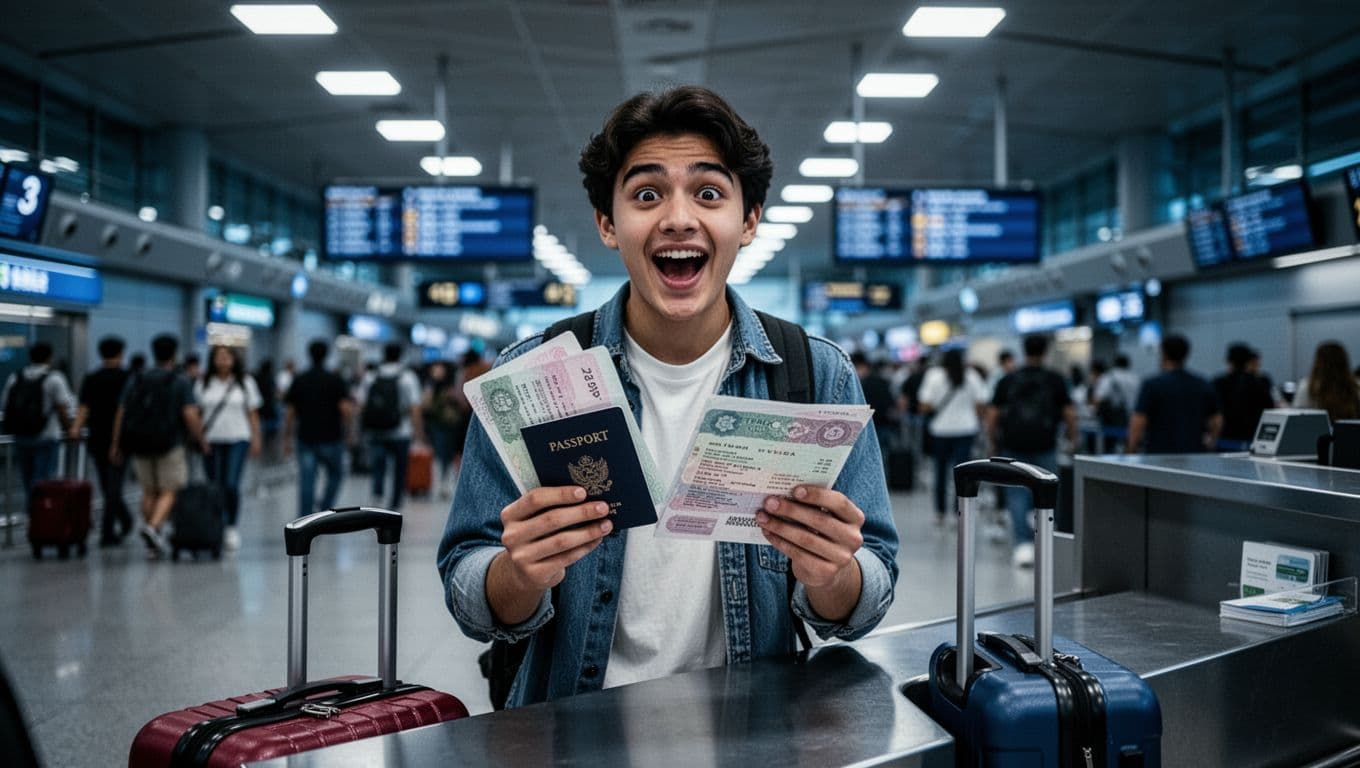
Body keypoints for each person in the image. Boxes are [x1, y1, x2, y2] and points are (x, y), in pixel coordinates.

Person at [437, 85, 899, 708]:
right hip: (571, 725)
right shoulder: (531, 377)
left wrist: (834, 575)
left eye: (709, 192)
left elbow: (869, 590)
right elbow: (468, 584)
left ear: (749, 221)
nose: (679, 218)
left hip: (753, 732)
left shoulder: (817, 376)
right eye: (646, 194)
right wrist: (517, 576)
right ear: (608, 223)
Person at [987, 334, 1076, 568]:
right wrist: (1072, 438)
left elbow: (993, 415)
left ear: (1023, 351)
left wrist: (993, 441)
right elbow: (1069, 413)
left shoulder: (1009, 379)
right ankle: (1046, 538)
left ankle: (1023, 545)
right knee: (1047, 490)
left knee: (1017, 494)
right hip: (1045, 442)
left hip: (1013, 443)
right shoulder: (1055, 379)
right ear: (1046, 351)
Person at [110, 335, 202, 558]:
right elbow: (189, 414)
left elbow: (121, 412)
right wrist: (200, 438)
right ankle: (152, 528)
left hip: (140, 444)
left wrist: (116, 443)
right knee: (169, 491)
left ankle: (153, 543)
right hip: (170, 444)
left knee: (149, 491)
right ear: (174, 353)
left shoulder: (137, 379)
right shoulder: (179, 381)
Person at [195, 346, 262, 550]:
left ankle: (231, 526)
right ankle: (215, 524)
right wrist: (200, 438)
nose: (223, 361)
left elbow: (252, 413)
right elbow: (196, 413)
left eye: (227, 357)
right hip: (211, 440)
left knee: (231, 483)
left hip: (238, 438)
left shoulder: (245, 383)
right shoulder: (203, 383)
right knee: (214, 484)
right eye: (219, 357)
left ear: (234, 360)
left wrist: (256, 438)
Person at [69, 336, 133, 546]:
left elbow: (84, 407)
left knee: (108, 485)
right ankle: (110, 529)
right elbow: (126, 411)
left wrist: (76, 427)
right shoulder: (128, 377)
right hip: (120, 439)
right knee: (113, 485)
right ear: (121, 353)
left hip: (96, 437)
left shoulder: (91, 378)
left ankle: (123, 520)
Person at [283, 340, 353, 517]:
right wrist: (350, 432)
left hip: (306, 437)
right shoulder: (335, 379)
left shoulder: (300, 379)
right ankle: (325, 509)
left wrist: (286, 438)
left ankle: (306, 519)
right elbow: (345, 409)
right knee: (336, 474)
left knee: (307, 480)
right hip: (332, 438)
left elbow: (290, 413)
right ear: (327, 355)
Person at [918, 347, 989, 525]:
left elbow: (924, 406)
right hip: (966, 430)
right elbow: (981, 404)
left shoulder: (934, 375)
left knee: (940, 473)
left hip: (940, 430)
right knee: (962, 473)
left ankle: (940, 513)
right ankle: (959, 511)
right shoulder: (971, 376)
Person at [1, 342, 76, 509]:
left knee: (28, 478)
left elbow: (5, 404)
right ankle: (37, 515)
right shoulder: (54, 378)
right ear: (50, 357)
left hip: (21, 436)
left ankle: (33, 514)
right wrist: (70, 428)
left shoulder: (16, 377)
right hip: (46, 436)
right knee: (42, 479)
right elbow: (62, 407)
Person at [1126, 334, 1221, 455]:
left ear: (1163, 353)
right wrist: (1211, 441)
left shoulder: (1152, 384)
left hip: (1158, 454)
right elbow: (1216, 420)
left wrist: (1131, 448)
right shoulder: (1202, 384)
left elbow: (1139, 420)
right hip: (1194, 455)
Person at [358, 343, 424, 510]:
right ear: (400, 356)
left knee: (378, 466)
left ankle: (377, 498)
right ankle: (395, 505)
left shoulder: (371, 376)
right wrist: (418, 433)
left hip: (376, 430)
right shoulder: (407, 377)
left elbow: (362, 404)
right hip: (401, 431)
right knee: (399, 470)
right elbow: (414, 407)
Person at [1213, 343, 1276, 449]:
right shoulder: (1261, 383)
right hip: (1252, 441)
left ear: (1228, 361)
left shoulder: (1219, 383)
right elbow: (1270, 410)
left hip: (1226, 441)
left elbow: (1214, 413)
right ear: (1248, 361)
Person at [421, 361, 462, 498]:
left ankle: (448, 486)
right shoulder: (430, 386)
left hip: (450, 424)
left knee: (449, 455)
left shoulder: (452, 385)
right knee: (438, 455)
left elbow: (459, 403)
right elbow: (425, 405)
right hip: (437, 424)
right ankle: (437, 486)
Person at [1292, 341, 1360, 422]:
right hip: (1351, 433)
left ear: (1318, 362)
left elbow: (1297, 419)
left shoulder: (1308, 387)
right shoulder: (1355, 386)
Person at [853, 352, 900, 460]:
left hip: (867, 428)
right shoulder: (882, 381)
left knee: (869, 458)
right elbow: (891, 403)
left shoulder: (860, 384)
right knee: (882, 457)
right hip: (884, 424)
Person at [1093, 354, 1140, 451]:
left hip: (1113, 419)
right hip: (1132, 417)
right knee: (1128, 446)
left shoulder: (1110, 376)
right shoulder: (1135, 378)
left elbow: (1098, 398)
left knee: (1110, 448)